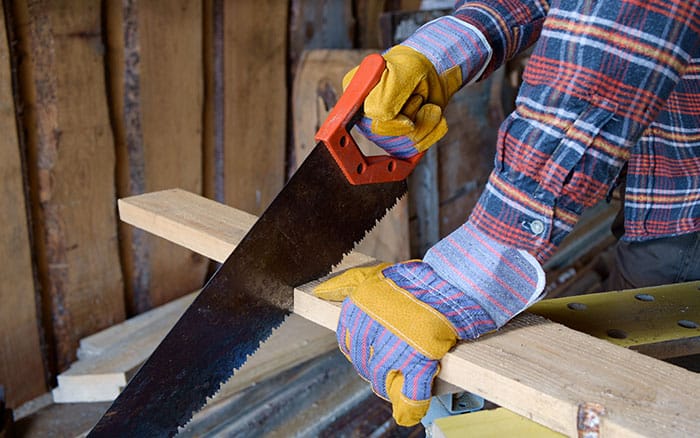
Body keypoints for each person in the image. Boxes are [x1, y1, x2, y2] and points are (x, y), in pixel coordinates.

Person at [313, 0, 700, 427]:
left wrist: (476, 268)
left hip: (684, 212)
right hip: (660, 189)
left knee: (650, 404)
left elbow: (625, 28)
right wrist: (444, 51)